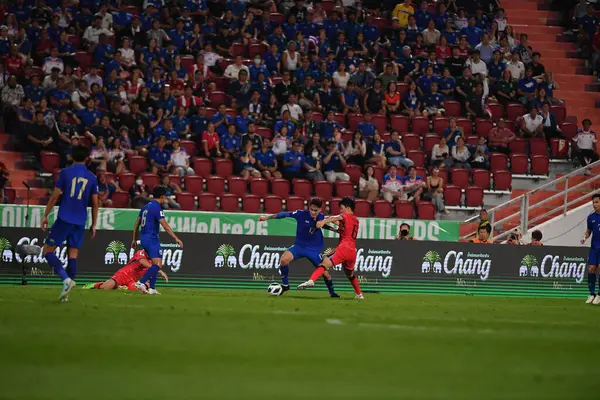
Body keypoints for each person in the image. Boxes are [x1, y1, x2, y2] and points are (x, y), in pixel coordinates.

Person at [41, 146, 99, 301]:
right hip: (80, 220)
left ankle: (65, 279)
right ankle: (66, 294)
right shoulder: (92, 177)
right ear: (87, 158)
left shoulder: (65, 173)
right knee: (73, 254)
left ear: (72, 157)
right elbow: (95, 203)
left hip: (65, 218)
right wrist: (94, 224)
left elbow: (54, 196)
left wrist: (46, 214)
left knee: (47, 251)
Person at [258, 198, 339, 297]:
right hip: (299, 246)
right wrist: (267, 217)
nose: (313, 212)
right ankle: (285, 285)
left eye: (315, 210)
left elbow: (323, 224)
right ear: (309, 207)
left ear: (320, 210)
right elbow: (284, 214)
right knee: (284, 259)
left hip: (314, 249)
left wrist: (335, 230)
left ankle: (332, 293)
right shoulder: (300, 214)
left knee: (325, 273)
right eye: (311, 209)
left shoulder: (321, 217)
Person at [298, 197, 364, 300]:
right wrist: (333, 224)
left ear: (347, 208)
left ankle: (311, 280)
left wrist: (324, 221)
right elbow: (343, 226)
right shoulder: (355, 220)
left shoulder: (344, 216)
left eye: (341, 208)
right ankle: (359, 294)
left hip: (344, 248)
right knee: (350, 274)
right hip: (352, 251)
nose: (340, 210)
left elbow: (335, 218)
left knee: (323, 264)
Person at [131, 186, 183, 295]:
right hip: (151, 240)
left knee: (155, 264)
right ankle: (141, 282)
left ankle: (152, 288)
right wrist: (176, 238)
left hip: (144, 239)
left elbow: (136, 224)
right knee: (158, 265)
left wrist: (134, 240)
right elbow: (165, 226)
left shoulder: (145, 207)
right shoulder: (157, 208)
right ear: (162, 196)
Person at [82, 249, 168, 291]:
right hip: (124, 274)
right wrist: (159, 271)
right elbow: (142, 262)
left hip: (134, 280)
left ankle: (123, 287)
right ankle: (96, 285)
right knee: (106, 287)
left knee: (146, 285)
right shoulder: (141, 252)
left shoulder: (155, 260)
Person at [581, 193, 600, 304]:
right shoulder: (591, 217)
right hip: (594, 248)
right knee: (591, 269)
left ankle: (599, 294)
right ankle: (591, 294)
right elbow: (589, 231)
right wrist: (584, 237)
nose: (594, 204)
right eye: (593, 202)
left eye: (597, 202)